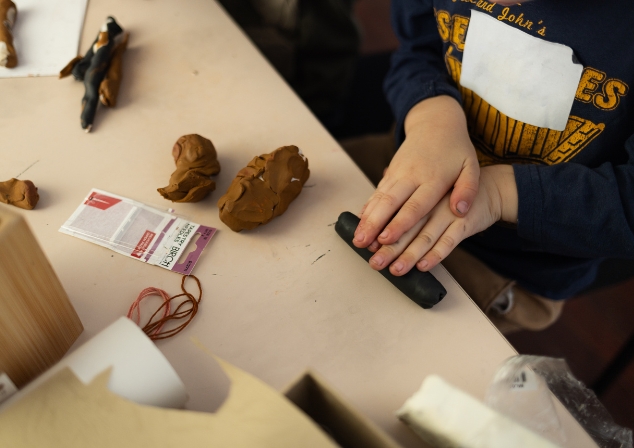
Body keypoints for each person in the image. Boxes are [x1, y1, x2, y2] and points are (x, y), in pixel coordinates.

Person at [352, 0, 634, 333]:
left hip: (516, 264)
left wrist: (498, 194)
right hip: (405, 156)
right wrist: (431, 114)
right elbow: (417, 52)